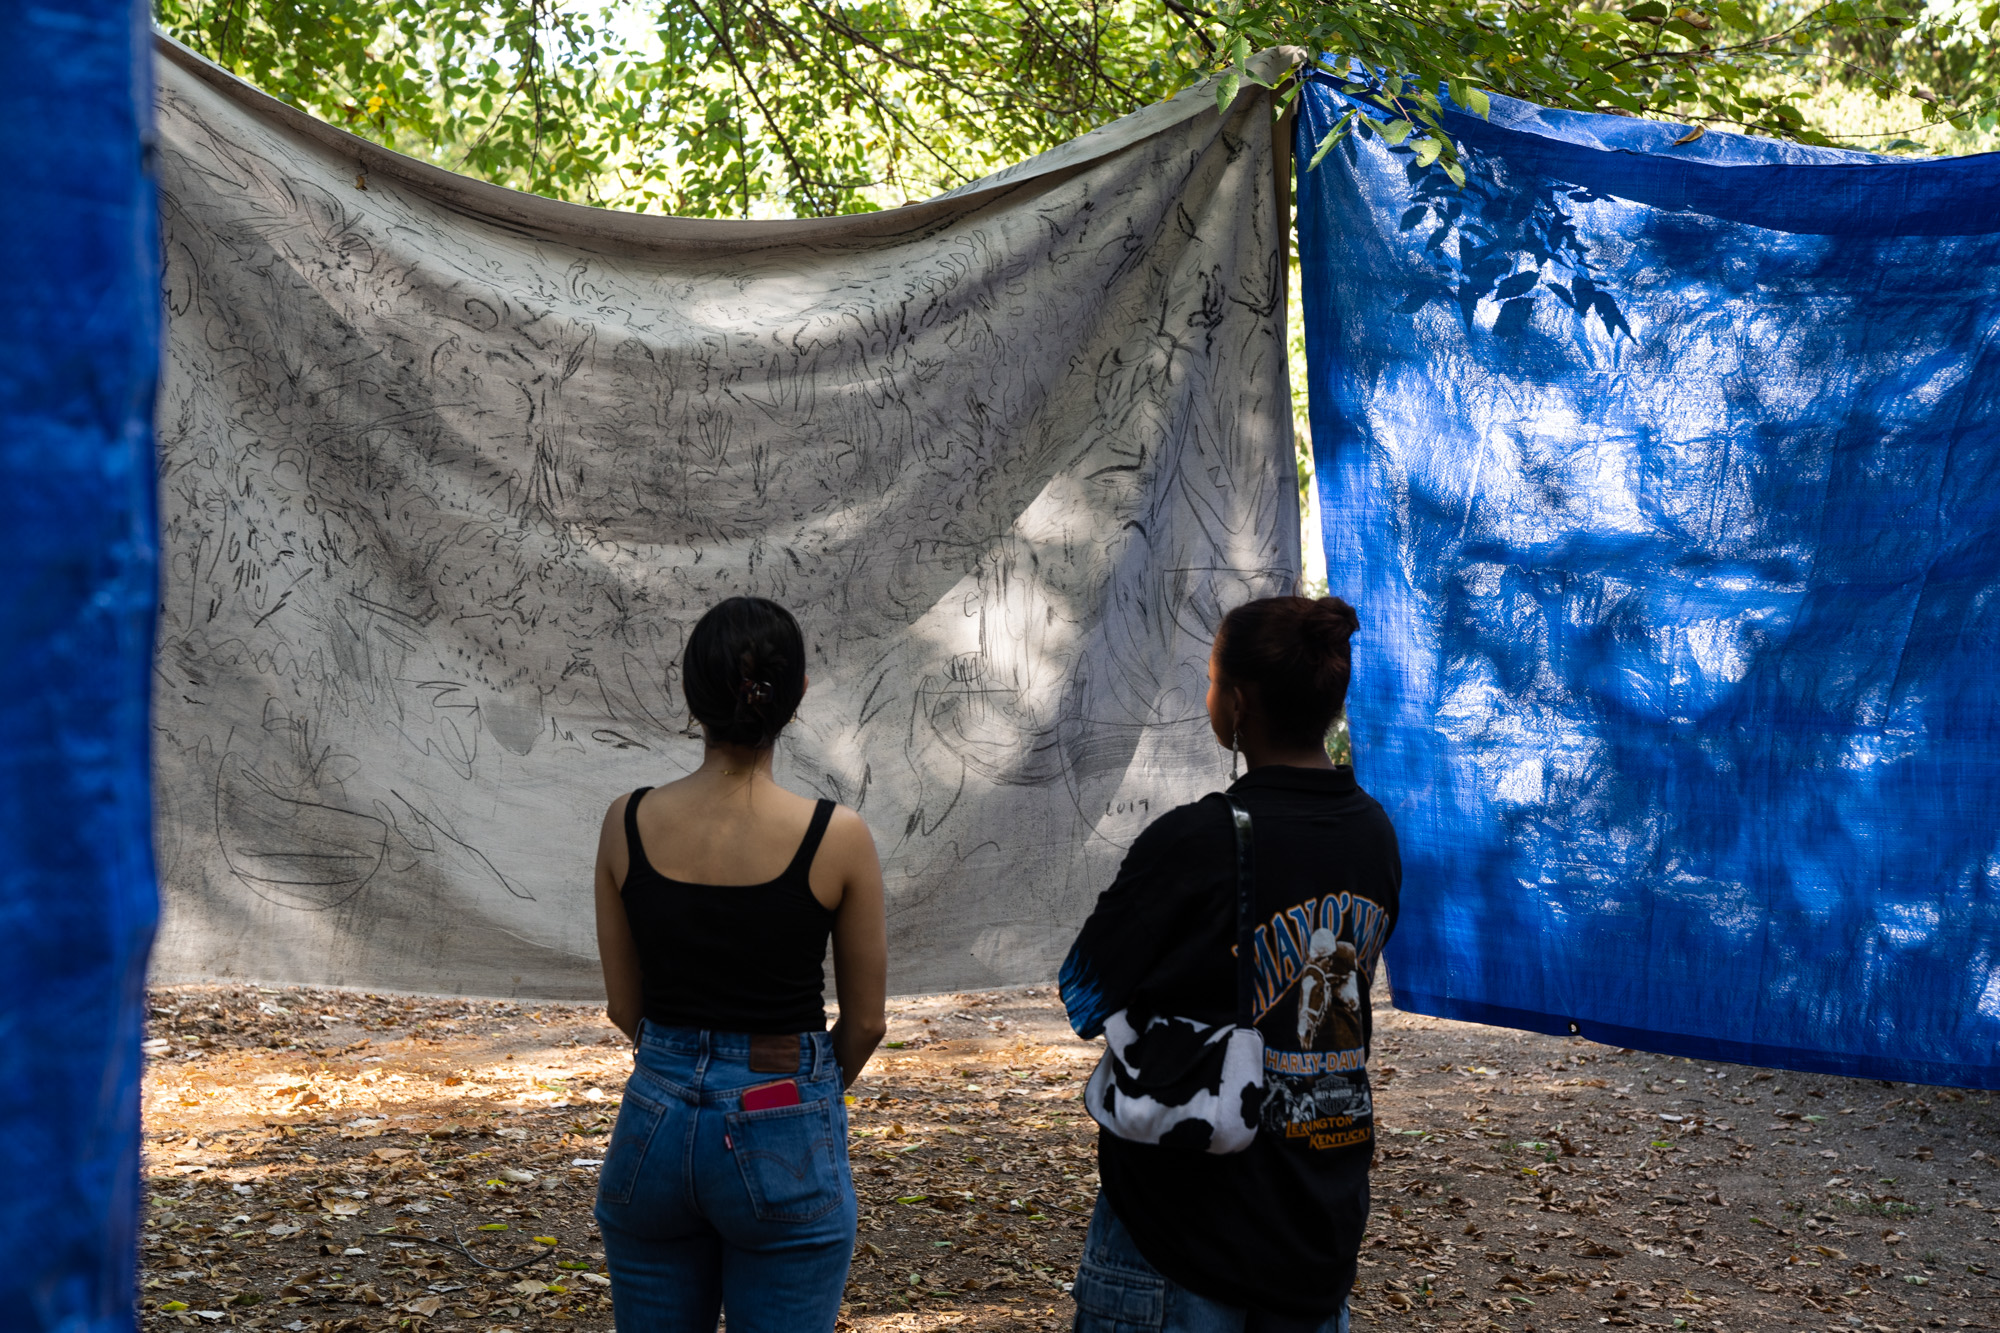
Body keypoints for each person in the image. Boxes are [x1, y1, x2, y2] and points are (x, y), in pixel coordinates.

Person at [1059, 594, 1401, 1333]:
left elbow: (1083, 989)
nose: (1208, 695)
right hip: (1317, 1225)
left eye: (1213, 680)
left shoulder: (1194, 840)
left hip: (1180, 1237)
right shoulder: (1374, 835)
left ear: (1238, 703)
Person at [592, 596, 888, 1333]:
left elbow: (625, 1008)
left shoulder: (626, 821)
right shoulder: (836, 836)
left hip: (652, 1124)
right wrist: (795, 1091)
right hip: (783, 1111)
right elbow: (869, 1022)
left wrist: (683, 1063)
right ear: (797, 696)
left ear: (693, 695)